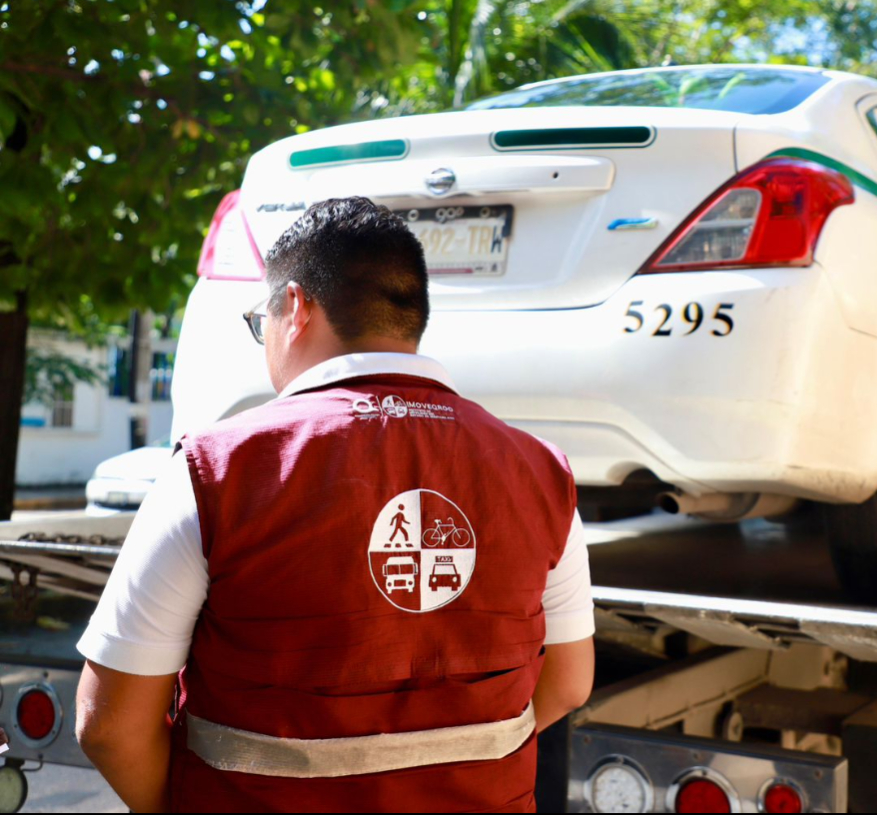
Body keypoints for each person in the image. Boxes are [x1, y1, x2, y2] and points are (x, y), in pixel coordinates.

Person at [74, 197, 595, 813]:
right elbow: (567, 683)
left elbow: (109, 725)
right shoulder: (541, 471)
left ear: (294, 307)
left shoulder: (216, 471)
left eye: (256, 319)